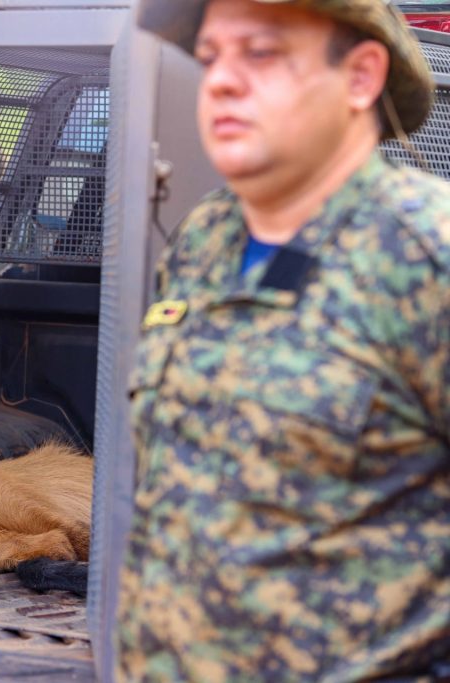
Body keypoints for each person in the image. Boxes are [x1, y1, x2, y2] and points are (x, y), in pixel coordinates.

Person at [117, 0, 450, 680]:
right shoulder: (204, 243)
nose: (222, 81)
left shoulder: (425, 255)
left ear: (360, 77)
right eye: (212, 58)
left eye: (262, 53)